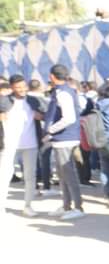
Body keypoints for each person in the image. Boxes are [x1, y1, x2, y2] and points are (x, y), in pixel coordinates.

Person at [43, 65, 84, 221]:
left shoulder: (63, 93)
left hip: (65, 138)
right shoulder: (64, 91)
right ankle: (66, 205)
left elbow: (68, 118)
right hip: (63, 138)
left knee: (68, 174)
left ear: (52, 76)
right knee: (63, 174)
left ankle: (78, 207)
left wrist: (51, 130)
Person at [0, 76, 44, 216]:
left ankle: (28, 206)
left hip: (30, 143)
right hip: (9, 144)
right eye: (18, 87)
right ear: (12, 88)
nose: (22, 89)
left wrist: (40, 116)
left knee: (30, 176)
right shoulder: (4, 100)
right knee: (4, 175)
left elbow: (45, 114)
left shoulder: (33, 100)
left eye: (24, 86)